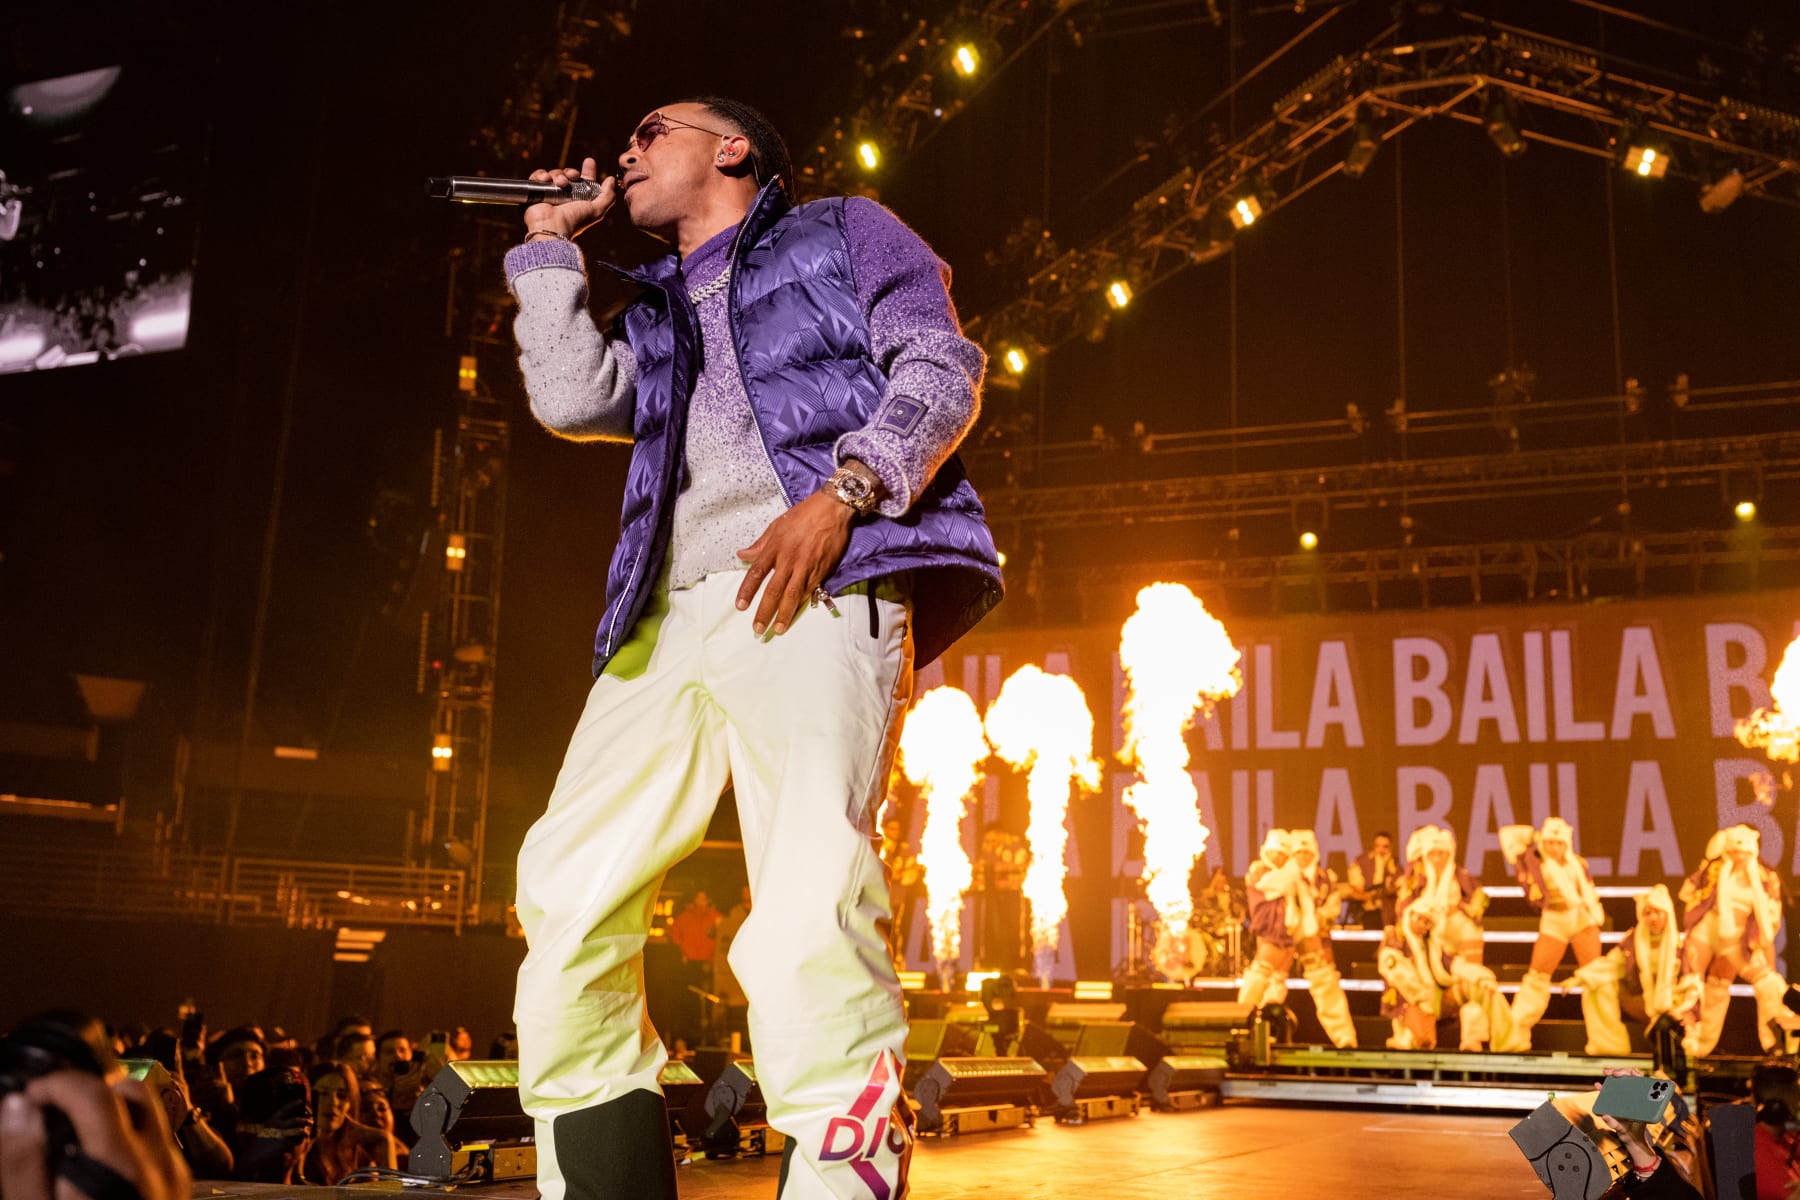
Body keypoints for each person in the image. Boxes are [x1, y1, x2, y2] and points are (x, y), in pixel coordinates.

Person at [506, 95, 1001, 1200]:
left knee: (806, 896)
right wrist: (546, 253)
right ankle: (603, 1169)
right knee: (565, 886)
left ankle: (841, 1172)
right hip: (669, 610)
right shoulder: (659, 306)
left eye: (650, 132)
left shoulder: (844, 229)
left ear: (730, 148)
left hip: (816, 576)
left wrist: (849, 492)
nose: (625, 154)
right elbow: (571, 397)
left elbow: (940, 364)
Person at [1677, 824, 1797, 1056]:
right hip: (1710, 929)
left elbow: (1770, 917)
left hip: (1741, 938)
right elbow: (1687, 893)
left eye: (1744, 853)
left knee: (1769, 984)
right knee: (1695, 984)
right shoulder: (1713, 870)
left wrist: (1760, 940)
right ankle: (1693, 1048)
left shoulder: (1765, 876)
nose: (1739, 857)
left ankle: (1777, 1046)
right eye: (1734, 852)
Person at [1238, 830, 1355, 1047]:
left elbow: (1332, 906)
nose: (1302, 857)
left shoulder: (1323, 879)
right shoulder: (1267, 873)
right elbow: (1271, 888)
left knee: (1325, 981)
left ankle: (1344, 1038)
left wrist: (1321, 919)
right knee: (1265, 979)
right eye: (1297, 853)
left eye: (1307, 853)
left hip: (1309, 934)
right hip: (1278, 935)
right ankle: (1240, 1027)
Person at [1501, 818, 1607, 1048]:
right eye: (1548, 842)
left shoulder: (1578, 865)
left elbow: (1589, 895)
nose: (1553, 848)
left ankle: (1605, 1041)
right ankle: (1514, 1038)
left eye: (1558, 843)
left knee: (1595, 979)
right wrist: (1535, 836)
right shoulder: (1533, 862)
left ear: (1566, 844)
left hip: (1581, 918)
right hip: (1554, 919)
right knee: (1537, 977)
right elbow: (1508, 836)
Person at [1569, 884, 1696, 1057]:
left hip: (1672, 1004)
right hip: (1640, 1000)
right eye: (1647, 913)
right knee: (1597, 985)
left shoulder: (1681, 947)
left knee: (1684, 1030)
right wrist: (1579, 978)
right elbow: (1612, 964)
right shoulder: (1633, 941)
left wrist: (1682, 1008)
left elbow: (1692, 982)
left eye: (1657, 912)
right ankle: (1610, 1045)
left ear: (1667, 914)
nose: (1653, 918)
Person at [1379, 899, 1520, 1051]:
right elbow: (1399, 977)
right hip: (1411, 1004)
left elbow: (1453, 965)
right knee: (1423, 1043)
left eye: (1426, 922)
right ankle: (1407, 1037)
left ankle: (1508, 1042)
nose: (1421, 925)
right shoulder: (1395, 941)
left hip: (1437, 1001)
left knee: (1484, 988)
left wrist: (1480, 976)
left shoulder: (1431, 945)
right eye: (1419, 919)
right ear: (1410, 915)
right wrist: (1422, 1000)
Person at [302, 1063, 397, 1185]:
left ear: (350, 1103)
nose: (333, 1103)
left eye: (341, 1096)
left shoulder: (358, 1158)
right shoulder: (298, 1150)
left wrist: (385, 1140)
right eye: (323, 1094)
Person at [1343, 830, 1401, 930]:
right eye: (1378, 846)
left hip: (1388, 914)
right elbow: (1356, 887)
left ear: (1390, 848)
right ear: (1374, 846)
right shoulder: (1362, 861)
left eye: (1385, 847)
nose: (1381, 850)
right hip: (1367, 912)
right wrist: (1369, 895)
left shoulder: (1395, 865)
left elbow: (1397, 886)